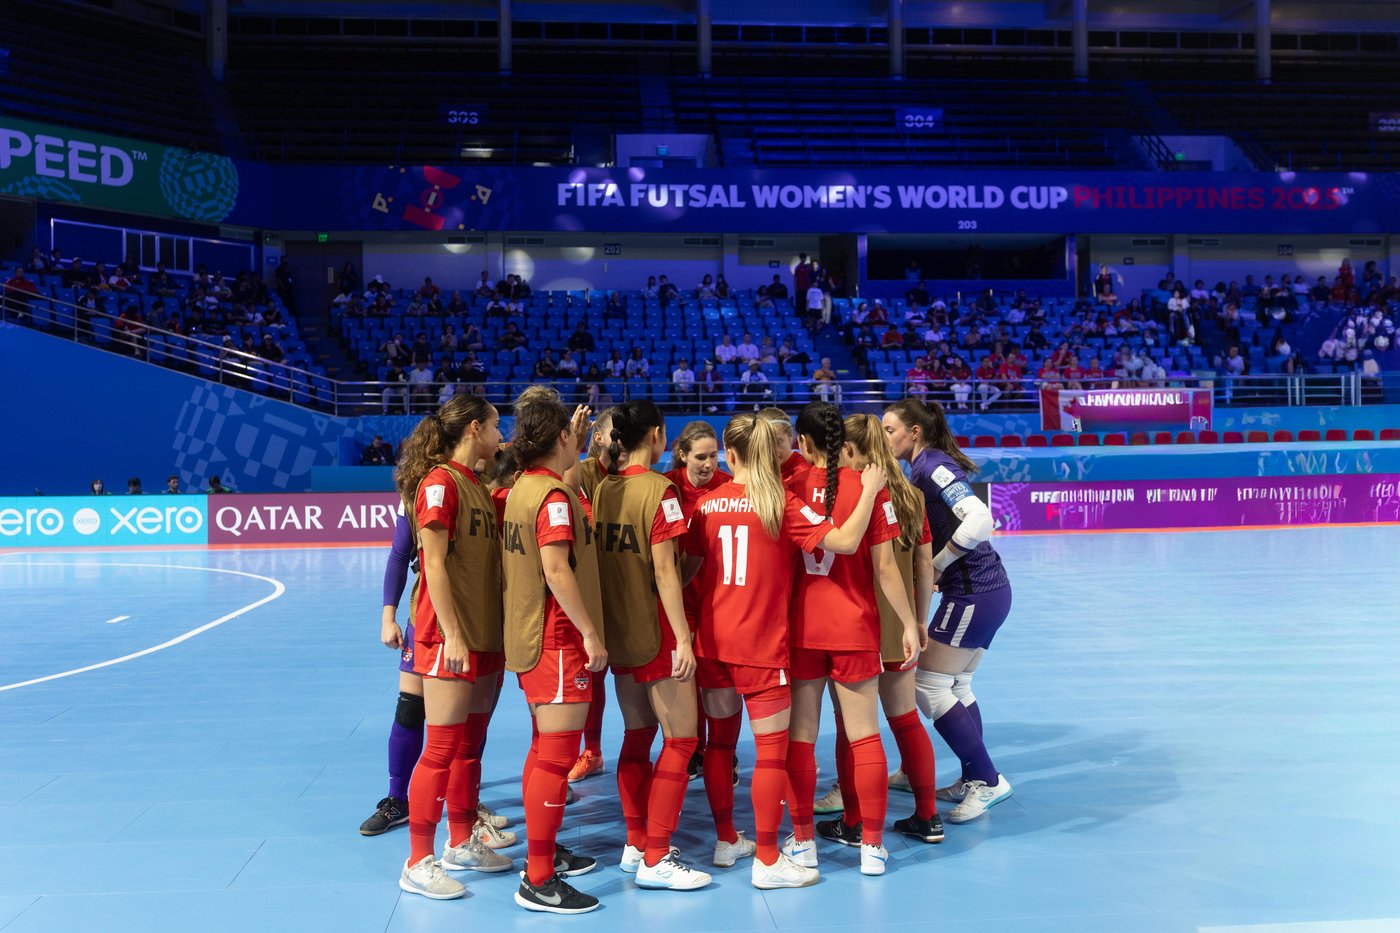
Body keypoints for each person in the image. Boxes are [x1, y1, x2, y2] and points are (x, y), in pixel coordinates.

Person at [680, 412, 871, 888]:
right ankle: (767, 860)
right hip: (761, 645)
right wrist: (870, 490)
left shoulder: (705, 505)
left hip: (712, 643)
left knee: (719, 744)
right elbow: (846, 542)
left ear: (730, 454)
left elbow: (684, 572)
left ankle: (727, 840)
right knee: (770, 753)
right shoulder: (780, 504)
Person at [782, 402, 921, 877]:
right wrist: (908, 623)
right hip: (855, 628)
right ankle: (873, 846)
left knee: (800, 739)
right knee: (865, 736)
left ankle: (803, 843)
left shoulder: (789, 486)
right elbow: (886, 569)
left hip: (803, 629)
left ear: (803, 443)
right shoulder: (870, 487)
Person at [395, 396, 513, 901]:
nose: (501, 434)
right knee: (441, 747)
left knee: (469, 744)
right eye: (496, 426)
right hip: (449, 635)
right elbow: (433, 564)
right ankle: (418, 861)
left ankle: (461, 841)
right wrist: (454, 632)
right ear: (473, 428)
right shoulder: (440, 483)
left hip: (483, 633)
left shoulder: (478, 486)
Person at [591, 401, 710, 889]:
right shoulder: (661, 490)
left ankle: (637, 842)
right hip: (656, 631)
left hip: (620, 631)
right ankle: (657, 857)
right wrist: (683, 637)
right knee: (681, 740)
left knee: (637, 737)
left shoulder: (605, 488)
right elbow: (665, 570)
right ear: (658, 436)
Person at [882, 399, 1014, 823]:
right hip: (987, 591)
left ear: (914, 432)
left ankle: (989, 781)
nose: (884, 437)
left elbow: (979, 519)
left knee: (927, 685)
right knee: (956, 684)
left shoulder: (933, 468)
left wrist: (936, 566)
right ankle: (973, 775)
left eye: (889, 430)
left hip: (972, 593)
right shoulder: (922, 468)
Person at [502, 389, 607, 913]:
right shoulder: (554, 497)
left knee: (543, 750)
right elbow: (557, 569)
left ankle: (542, 855)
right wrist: (590, 632)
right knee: (557, 757)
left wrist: (577, 451)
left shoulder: (523, 486)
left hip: (528, 636)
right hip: (559, 639)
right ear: (561, 436)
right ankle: (539, 879)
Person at [818, 415, 942, 845]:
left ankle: (854, 822)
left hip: (858, 622)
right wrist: (919, 620)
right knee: (905, 719)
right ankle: (928, 816)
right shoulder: (910, 495)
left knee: (852, 729)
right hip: (899, 623)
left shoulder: (848, 494)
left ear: (847, 449)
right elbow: (924, 565)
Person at [664, 421, 733, 781]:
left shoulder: (728, 486)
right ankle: (693, 748)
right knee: (686, 680)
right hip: (682, 600)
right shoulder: (668, 487)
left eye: (713, 456)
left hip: (720, 601)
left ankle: (721, 752)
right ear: (682, 455)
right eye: (700, 457)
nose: (709, 464)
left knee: (717, 683)